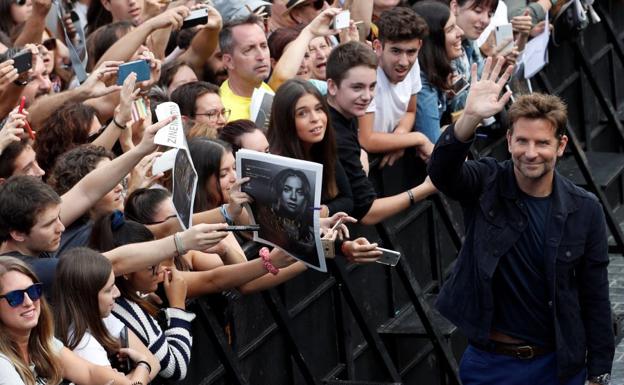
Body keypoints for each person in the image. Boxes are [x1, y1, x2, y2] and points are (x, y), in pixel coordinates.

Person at [428, 57, 614, 385]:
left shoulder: (585, 210)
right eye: (523, 141)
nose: (531, 152)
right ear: (510, 139)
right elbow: (443, 173)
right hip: (490, 363)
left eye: (542, 143)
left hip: (557, 365)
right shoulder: (486, 181)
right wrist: (468, 119)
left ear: (561, 146)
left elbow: (594, 294)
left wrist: (598, 372)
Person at [325, 41, 436, 224]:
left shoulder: (345, 113)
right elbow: (367, 213)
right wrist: (427, 188)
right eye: (357, 87)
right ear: (332, 86)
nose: (367, 96)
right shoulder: (336, 136)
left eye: (372, 86)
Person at [0, 256, 153, 385]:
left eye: (33, 291)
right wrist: (143, 366)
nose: (28, 302)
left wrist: (142, 367)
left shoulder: (43, 341)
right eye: (15, 297)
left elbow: (90, 372)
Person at [52, 247, 160, 381]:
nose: (117, 293)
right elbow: (147, 364)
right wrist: (143, 365)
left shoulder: (98, 315)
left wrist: (131, 377)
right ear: (87, 298)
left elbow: (155, 363)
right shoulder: (82, 344)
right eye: (108, 290)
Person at [359, 6, 434, 167]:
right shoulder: (367, 73)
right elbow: (367, 139)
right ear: (378, 47)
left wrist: (400, 137)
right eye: (396, 51)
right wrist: (417, 138)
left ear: (419, 46)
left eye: (411, 52)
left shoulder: (413, 64)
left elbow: (410, 111)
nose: (404, 62)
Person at [268, 78, 353, 216]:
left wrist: (325, 210)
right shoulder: (276, 163)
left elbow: (348, 200)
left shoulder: (322, 147)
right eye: (302, 113)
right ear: (286, 121)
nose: (315, 118)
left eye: (319, 109)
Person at [413, 1, 465, 143]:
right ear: (433, 41)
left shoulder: (438, 71)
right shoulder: (421, 82)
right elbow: (434, 144)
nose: (461, 33)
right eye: (450, 29)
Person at [219, 14, 273, 122]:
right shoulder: (222, 112)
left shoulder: (265, 89)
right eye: (249, 49)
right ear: (229, 61)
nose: (261, 56)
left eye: (263, 46)